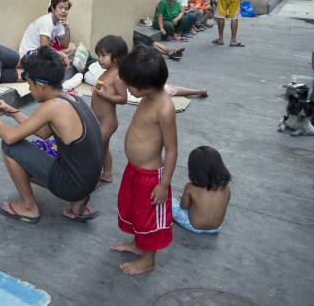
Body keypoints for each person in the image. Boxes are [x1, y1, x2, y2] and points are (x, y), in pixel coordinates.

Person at [0, 46, 103, 224]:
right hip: (88, 182)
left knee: (10, 147)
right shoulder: (72, 98)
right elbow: (44, 132)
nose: (29, 89)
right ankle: (79, 200)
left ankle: (29, 207)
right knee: (27, 153)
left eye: (29, 84)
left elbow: (9, 137)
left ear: (40, 85)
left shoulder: (52, 106)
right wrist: (11, 111)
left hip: (72, 185)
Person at [111, 45, 177, 275]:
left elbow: (172, 150)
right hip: (134, 170)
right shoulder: (147, 97)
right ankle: (138, 245)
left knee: (150, 218)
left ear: (147, 87)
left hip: (151, 177)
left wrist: (164, 185)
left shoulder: (164, 109)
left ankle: (149, 259)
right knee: (136, 211)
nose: (126, 88)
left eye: (130, 85)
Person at [90, 36, 128, 187]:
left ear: (117, 57)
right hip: (98, 119)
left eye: (104, 55)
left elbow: (123, 98)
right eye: (98, 55)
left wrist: (104, 96)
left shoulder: (117, 77)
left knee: (95, 149)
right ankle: (107, 174)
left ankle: (94, 179)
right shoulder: (106, 72)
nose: (99, 59)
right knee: (104, 148)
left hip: (107, 121)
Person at [173, 146, 230, 233]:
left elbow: (183, 206)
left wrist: (188, 201)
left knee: (169, 201)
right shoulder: (226, 188)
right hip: (216, 228)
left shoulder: (190, 187)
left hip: (194, 226)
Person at [19, 0, 76, 71]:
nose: (63, 11)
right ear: (53, 8)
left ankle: (54, 64)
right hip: (29, 54)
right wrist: (64, 56)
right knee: (60, 54)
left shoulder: (59, 21)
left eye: (66, 8)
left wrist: (67, 29)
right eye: (60, 7)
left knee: (72, 47)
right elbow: (44, 47)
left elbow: (65, 45)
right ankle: (51, 66)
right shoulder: (47, 21)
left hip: (41, 51)